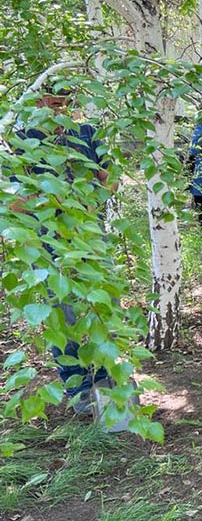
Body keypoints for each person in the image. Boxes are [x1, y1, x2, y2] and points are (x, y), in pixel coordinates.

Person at [9, 91, 134, 424]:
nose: (59, 108)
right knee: (62, 318)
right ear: (37, 104)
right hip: (47, 248)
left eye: (65, 102)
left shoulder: (88, 133)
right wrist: (50, 202)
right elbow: (11, 203)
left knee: (105, 308)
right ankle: (80, 393)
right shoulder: (22, 141)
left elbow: (112, 179)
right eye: (52, 103)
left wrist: (88, 205)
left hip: (91, 238)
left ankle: (111, 387)